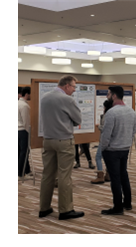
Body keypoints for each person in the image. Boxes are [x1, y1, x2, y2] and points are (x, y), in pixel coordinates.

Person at [38, 75, 85, 221]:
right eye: (73, 87)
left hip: (47, 140)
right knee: (64, 176)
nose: (74, 90)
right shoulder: (67, 99)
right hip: (64, 141)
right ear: (66, 86)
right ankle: (65, 210)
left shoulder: (44, 97)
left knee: (47, 175)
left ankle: (44, 208)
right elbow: (78, 119)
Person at [99, 85, 136, 215]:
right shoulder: (131, 111)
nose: (106, 96)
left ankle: (118, 207)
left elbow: (106, 134)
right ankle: (127, 203)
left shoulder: (111, 112)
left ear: (114, 96)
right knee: (123, 175)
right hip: (125, 148)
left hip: (112, 150)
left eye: (108, 94)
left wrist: (103, 148)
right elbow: (134, 131)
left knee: (115, 178)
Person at [90, 99, 113, 185]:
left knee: (98, 157)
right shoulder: (113, 114)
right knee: (108, 157)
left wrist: (98, 126)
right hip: (111, 140)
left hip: (104, 139)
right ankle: (108, 174)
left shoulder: (106, 116)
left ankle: (100, 176)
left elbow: (104, 128)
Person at [18, 86, 31, 177]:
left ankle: (24, 171)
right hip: (23, 131)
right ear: (26, 94)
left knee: (19, 152)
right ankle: (20, 173)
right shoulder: (24, 105)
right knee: (24, 152)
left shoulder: (17, 103)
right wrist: (28, 133)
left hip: (17, 130)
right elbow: (26, 121)